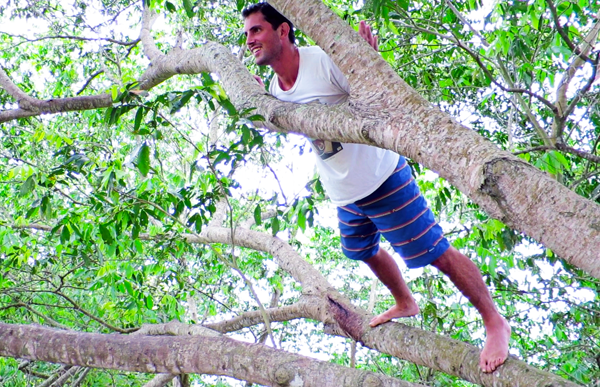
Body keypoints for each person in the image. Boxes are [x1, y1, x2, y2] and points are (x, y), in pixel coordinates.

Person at [242, 2, 511, 373]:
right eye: (247, 33)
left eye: (256, 30)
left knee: (436, 253)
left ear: (283, 31)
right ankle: (404, 301)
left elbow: (372, 100)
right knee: (360, 250)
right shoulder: (276, 88)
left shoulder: (321, 62)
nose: (249, 40)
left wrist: (369, 61)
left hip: (383, 181)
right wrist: (261, 106)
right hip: (344, 193)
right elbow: (281, 123)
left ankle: (494, 321)